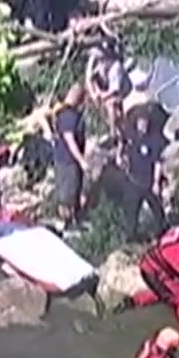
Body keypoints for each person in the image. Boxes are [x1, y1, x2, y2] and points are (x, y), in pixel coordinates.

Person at [120, 109, 168, 242]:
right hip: (133, 180)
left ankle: (161, 233)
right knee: (131, 210)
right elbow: (122, 141)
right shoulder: (132, 136)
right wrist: (120, 156)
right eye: (141, 122)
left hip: (149, 182)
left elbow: (158, 161)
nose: (143, 125)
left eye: (145, 122)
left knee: (157, 211)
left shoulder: (154, 139)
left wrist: (156, 182)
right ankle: (131, 236)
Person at [49, 84, 88, 231]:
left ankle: (75, 221)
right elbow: (69, 139)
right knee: (67, 195)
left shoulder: (63, 112)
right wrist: (81, 160)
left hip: (67, 160)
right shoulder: (68, 115)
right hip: (67, 161)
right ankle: (66, 225)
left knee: (74, 192)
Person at [85, 44, 130, 147]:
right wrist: (94, 93)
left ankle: (112, 133)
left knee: (111, 104)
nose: (100, 61)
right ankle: (113, 129)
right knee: (94, 98)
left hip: (121, 90)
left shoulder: (116, 67)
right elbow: (89, 78)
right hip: (105, 87)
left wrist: (102, 95)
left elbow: (114, 90)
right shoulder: (98, 64)